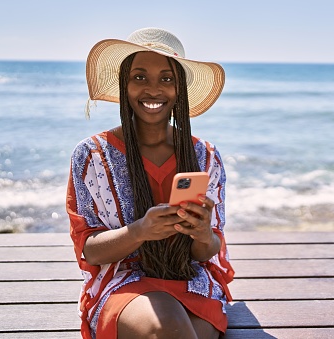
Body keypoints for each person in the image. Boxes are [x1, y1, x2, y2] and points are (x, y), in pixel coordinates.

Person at [66, 27, 234, 339]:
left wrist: (201, 233)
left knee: (178, 331)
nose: (153, 89)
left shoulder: (205, 155)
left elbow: (208, 250)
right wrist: (140, 231)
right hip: (123, 282)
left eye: (166, 79)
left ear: (179, 89)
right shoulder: (91, 155)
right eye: (140, 77)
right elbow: (89, 252)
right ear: (124, 85)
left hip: (193, 281)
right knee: (166, 326)